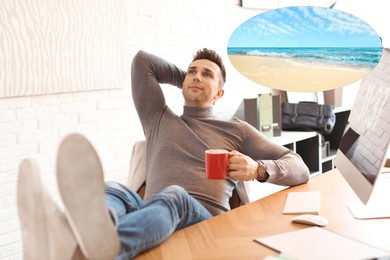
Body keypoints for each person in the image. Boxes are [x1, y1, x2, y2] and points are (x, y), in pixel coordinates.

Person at [17, 48, 310, 260]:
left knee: (174, 196)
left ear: (219, 93)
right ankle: (72, 234)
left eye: (207, 74)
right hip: (153, 215)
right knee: (114, 190)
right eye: (191, 72)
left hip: (202, 222)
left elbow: (299, 167)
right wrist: (191, 78)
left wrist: (257, 169)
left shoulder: (237, 129)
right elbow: (142, 62)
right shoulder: (159, 117)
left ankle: (87, 254)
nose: (196, 76)